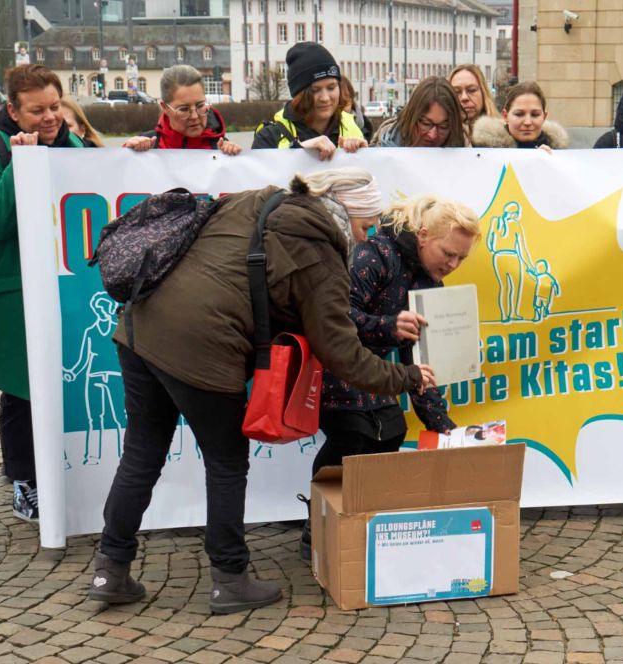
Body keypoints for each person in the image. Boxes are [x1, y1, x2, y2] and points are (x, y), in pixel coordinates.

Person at [88, 167, 437, 614]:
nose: (366, 236)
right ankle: (230, 580)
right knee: (227, 461)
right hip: (201, 344)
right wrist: (407, 379)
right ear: (344, 213)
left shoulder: (262, 199)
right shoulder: (320, 253)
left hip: (139, 326)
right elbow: (343, 355)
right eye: (365, 225)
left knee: (142, 451)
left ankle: (110, 569)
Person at [300, 195, 480, 559]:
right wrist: (387, 326)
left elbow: (422, 365)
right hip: (334, 366)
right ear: (424, 235)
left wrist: (442, 427)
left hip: (379, 375)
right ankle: (317, 525)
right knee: (353, 434)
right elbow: (332, 317)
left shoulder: (430, 283)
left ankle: (362, 524)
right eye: (448, 253)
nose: (453, 264)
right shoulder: (374, 254)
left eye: (462, 258)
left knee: (392, 431)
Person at [0, 64, 85, 523]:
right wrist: (21, 165)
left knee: (60, 381)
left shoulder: (70, 146)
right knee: (23, 389)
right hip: (11, 291)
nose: (50, 116)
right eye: (37, 110)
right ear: (14, 112)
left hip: (63, 285)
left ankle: (62, 468)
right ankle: (23, 480)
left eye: (55, 106)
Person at [252, 42, 367, 160]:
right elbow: (256, 177)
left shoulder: (353, 129)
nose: (325, 98)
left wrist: (365, 156)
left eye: (331, 87)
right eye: (315, 90)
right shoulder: (269, 137)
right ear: (299, 94)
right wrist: (298, 150)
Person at [122, 65, 240, 154]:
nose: (194, 116)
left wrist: (233, 161)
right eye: (184, 109)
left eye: (200, 106)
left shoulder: (221, 148)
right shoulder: (148, 146)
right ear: (165, 108)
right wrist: (128, 153)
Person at [472, 81, 569, 150]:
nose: (527, 122)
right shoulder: (481, 151)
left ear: (544, 117)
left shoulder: (560, 155)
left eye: (535, 115)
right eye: (519, 114)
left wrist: (550, 164)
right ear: (505, 116)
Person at [374, 76, 467, 148]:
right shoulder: (385, 142)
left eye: (443, 127)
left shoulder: (468, 150)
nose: (433, 135)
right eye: (426, 124)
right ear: (411, 117)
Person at [449, 64, 500, 143]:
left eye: (472, 90)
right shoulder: (439, 137)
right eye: (456, 92)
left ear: (483, 92)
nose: (464, 97)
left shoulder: (504, 133)